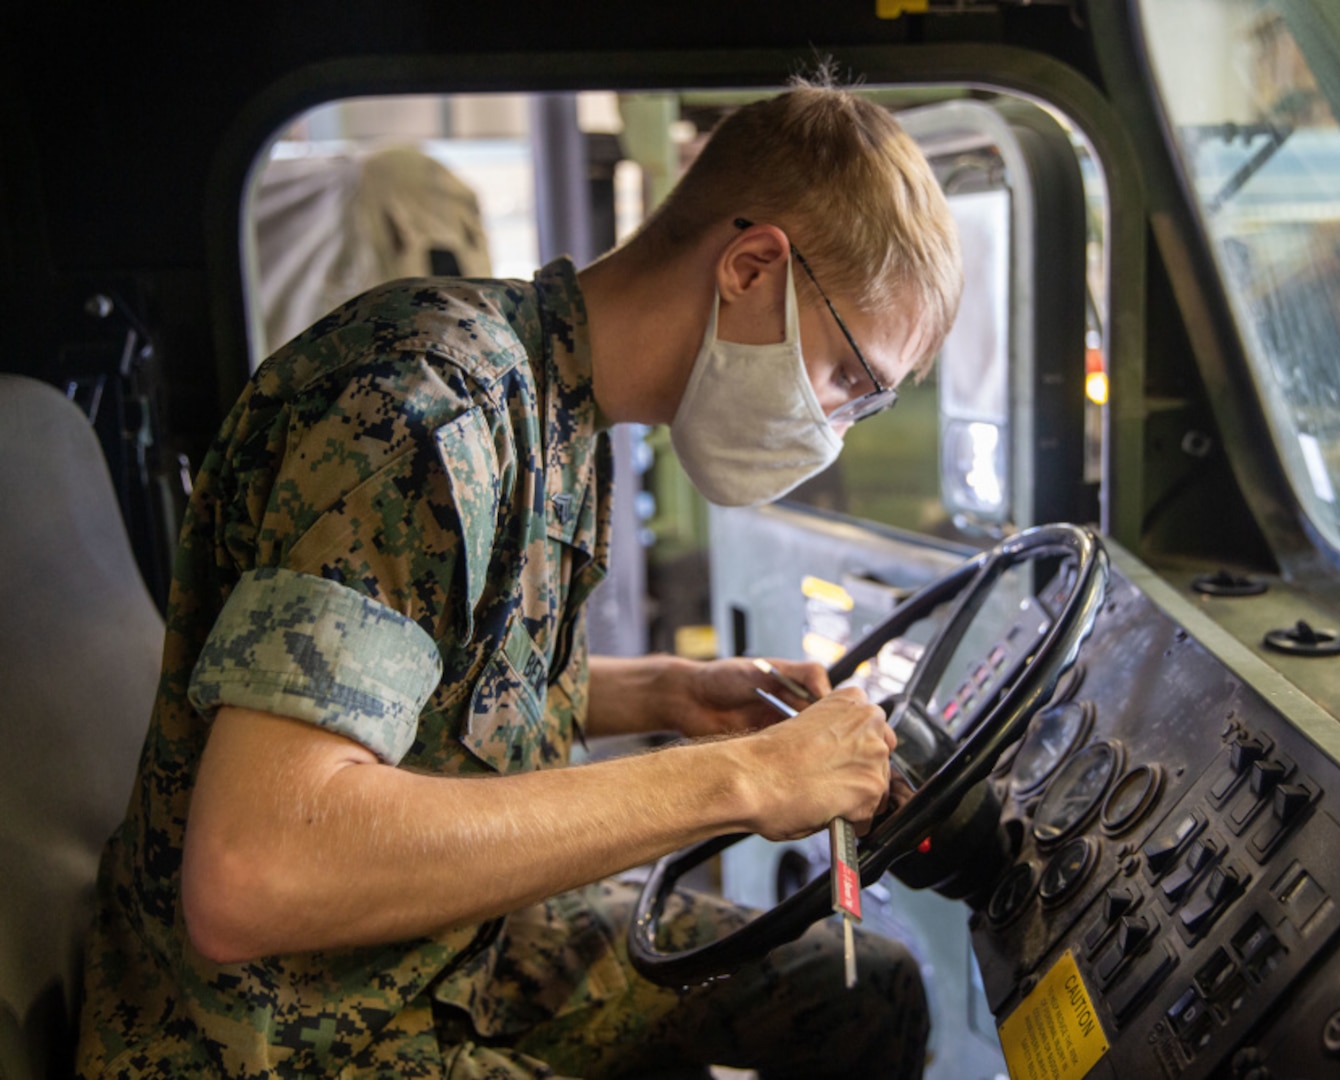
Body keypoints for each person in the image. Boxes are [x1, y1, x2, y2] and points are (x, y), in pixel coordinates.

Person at [76, 81, 962, 1078]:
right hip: (277, 1029)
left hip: (453, 954)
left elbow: (438, 688)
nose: (834, 428)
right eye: (848, 379)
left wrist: (663, 691)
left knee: (860, 992)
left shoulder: (558, 404)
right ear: (750, 265)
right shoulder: (427, 410)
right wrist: (743, 781)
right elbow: (258, 872)